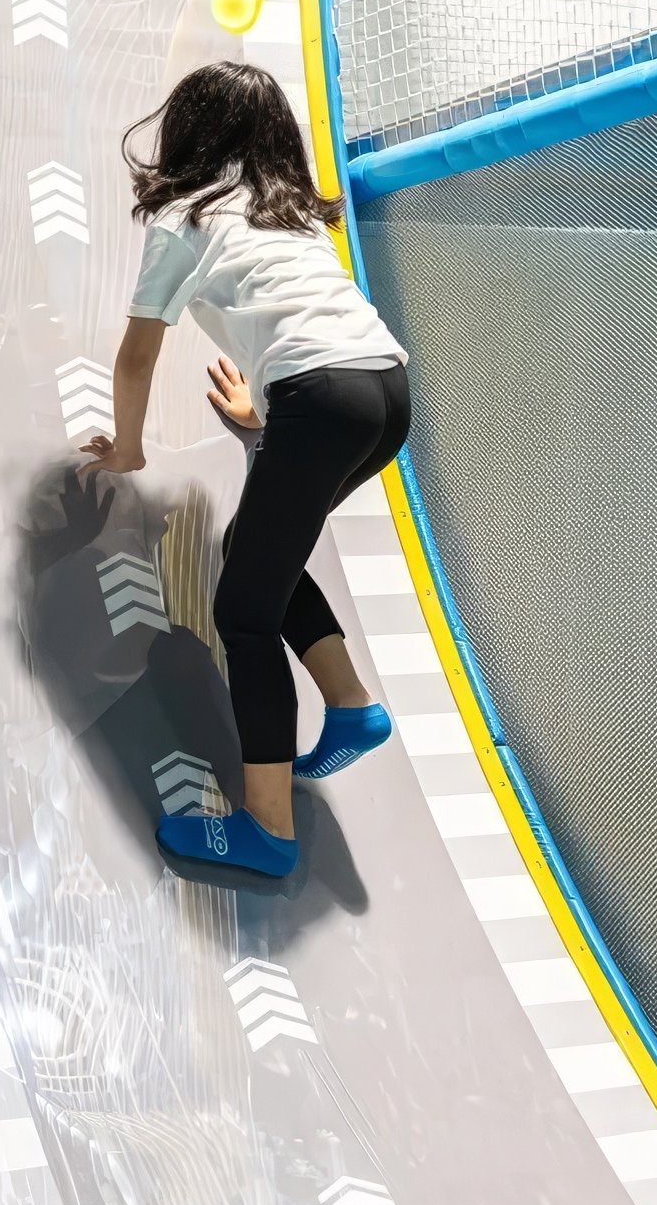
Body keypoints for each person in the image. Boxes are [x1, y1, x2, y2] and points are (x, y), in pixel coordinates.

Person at [82, 62, 411, 879]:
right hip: (385, 394)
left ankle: (266, 829)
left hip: (320, 399)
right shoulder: (292, 215)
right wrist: (265, 422)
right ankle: (350, 705)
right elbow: (301, 320)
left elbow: (136, 355)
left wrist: (128, 448)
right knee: (257, 553)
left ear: (188, 131)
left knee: (244, 614)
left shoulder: (184, 216)